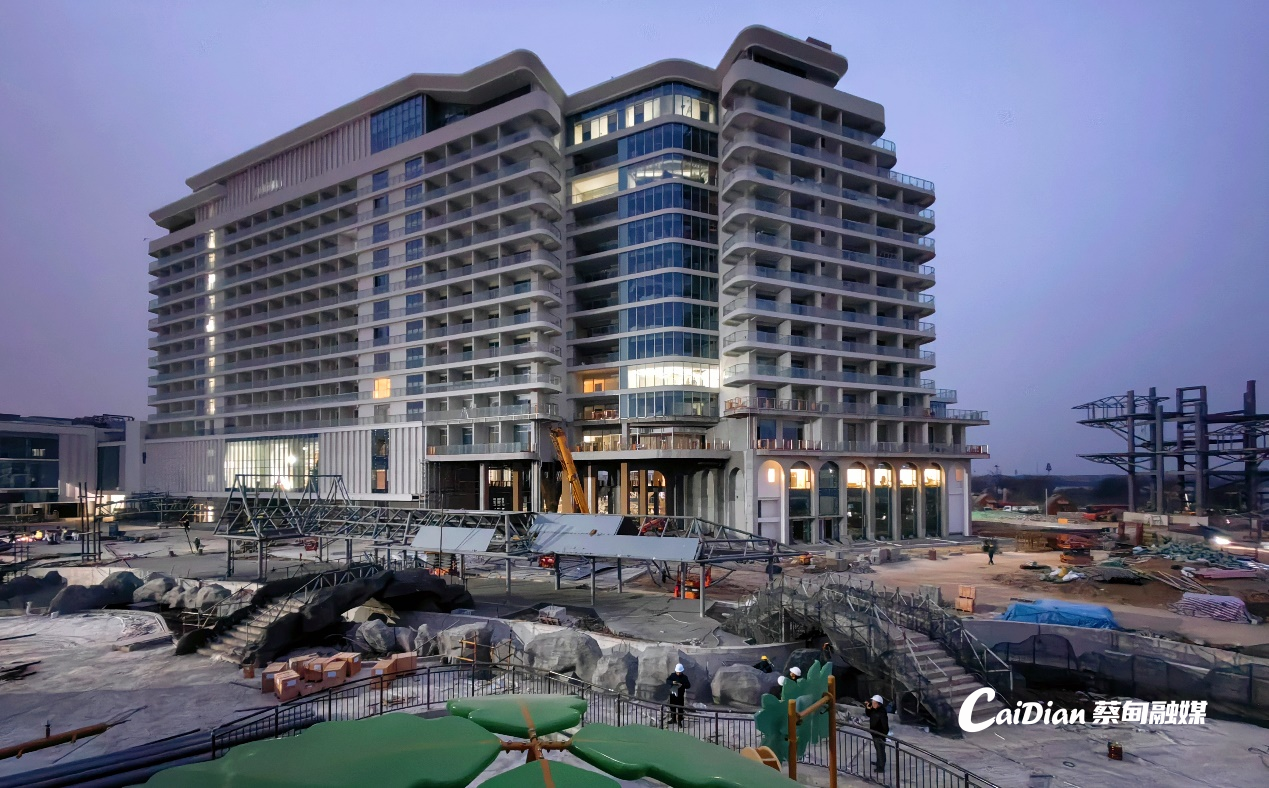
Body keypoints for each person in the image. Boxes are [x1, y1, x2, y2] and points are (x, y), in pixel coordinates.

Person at [866, 694, 890, 772]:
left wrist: (883, 735)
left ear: (878, 704)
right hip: (874, 733)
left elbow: (885, 725)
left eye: (874, 703)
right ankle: (878, 762)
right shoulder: (874, 710)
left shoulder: (882, 713)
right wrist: (867, 708)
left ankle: (881, 767)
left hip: (879, 734)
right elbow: (868, 714)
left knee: (880, 750)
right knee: (878, 749)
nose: (872, 704)